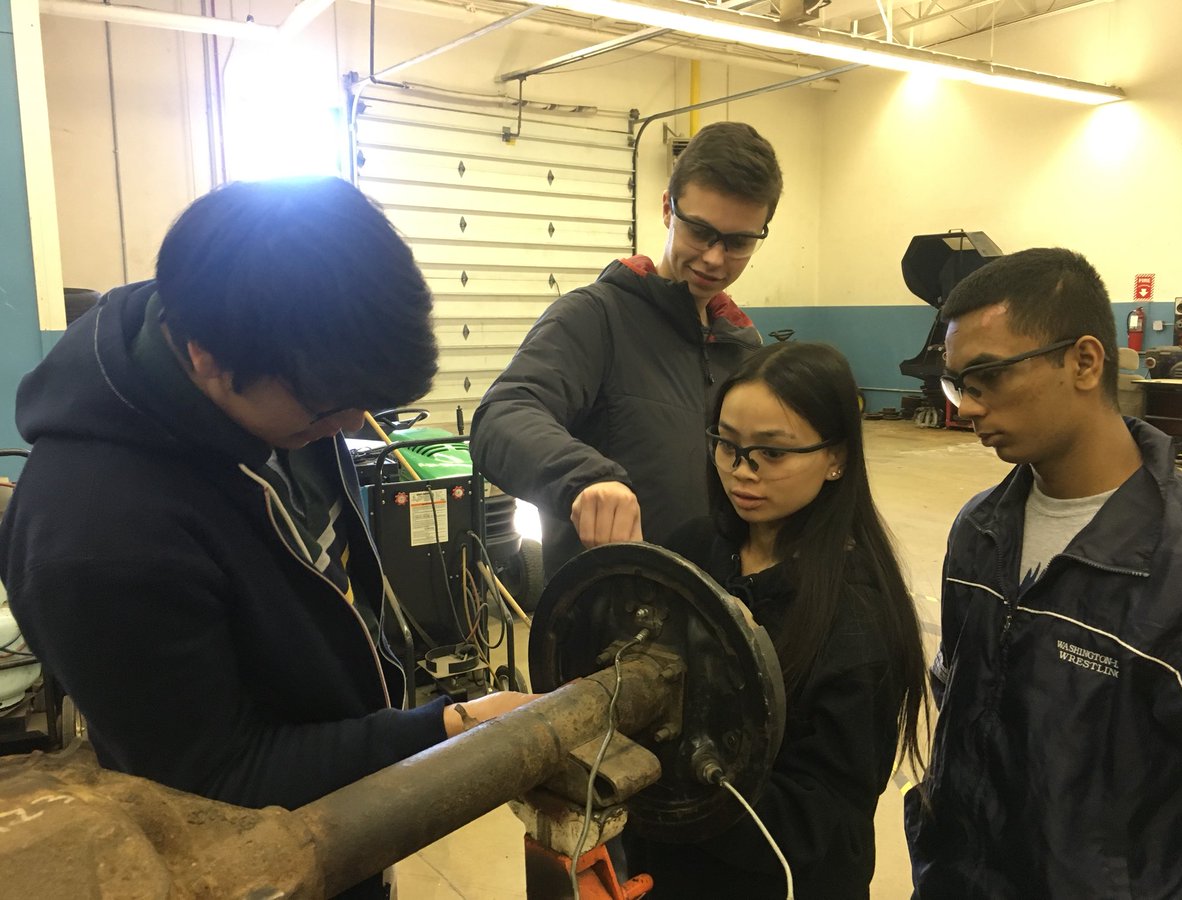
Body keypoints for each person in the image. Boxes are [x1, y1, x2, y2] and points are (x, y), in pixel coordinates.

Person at [0, 177, 529, 899]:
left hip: (348, 789)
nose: (349, 427)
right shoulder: (96, 540)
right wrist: (446, 728)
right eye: (328, 409)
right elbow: (220, 779)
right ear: (208, 357)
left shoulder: (275, 357)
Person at [905, 248, 1182, 897]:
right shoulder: (978, 530)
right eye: (958, 384)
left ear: (1085, 361)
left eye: (987, 378)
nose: (968, 409)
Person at [623, 341, 928, 898]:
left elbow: (824, 821)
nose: (741, 473)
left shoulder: (858, 618)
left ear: (835, 457)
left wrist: (668, 775)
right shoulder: (697, 549)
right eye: (727, 445)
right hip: (663, 870)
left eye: (773, 453)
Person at [470, 121, 783, 577]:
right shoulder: (594, 319)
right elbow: (502, 416)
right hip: (611, 615)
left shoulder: (742, 348)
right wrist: (584, 477)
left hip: (717, 609)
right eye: (699, 231)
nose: (715, 258)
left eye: (738, 242)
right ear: (666, 208)